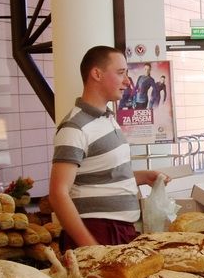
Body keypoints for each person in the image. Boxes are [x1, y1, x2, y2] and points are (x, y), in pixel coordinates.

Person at [49, 46, 169, 249]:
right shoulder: (74, 127)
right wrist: (91, 246)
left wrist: (141, 177)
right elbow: (58, 193)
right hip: (98, 232)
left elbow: (101, 176)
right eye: (121, 73)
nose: (127, 81)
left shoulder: (107, 118)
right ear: (97, 74)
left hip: (119, 231)